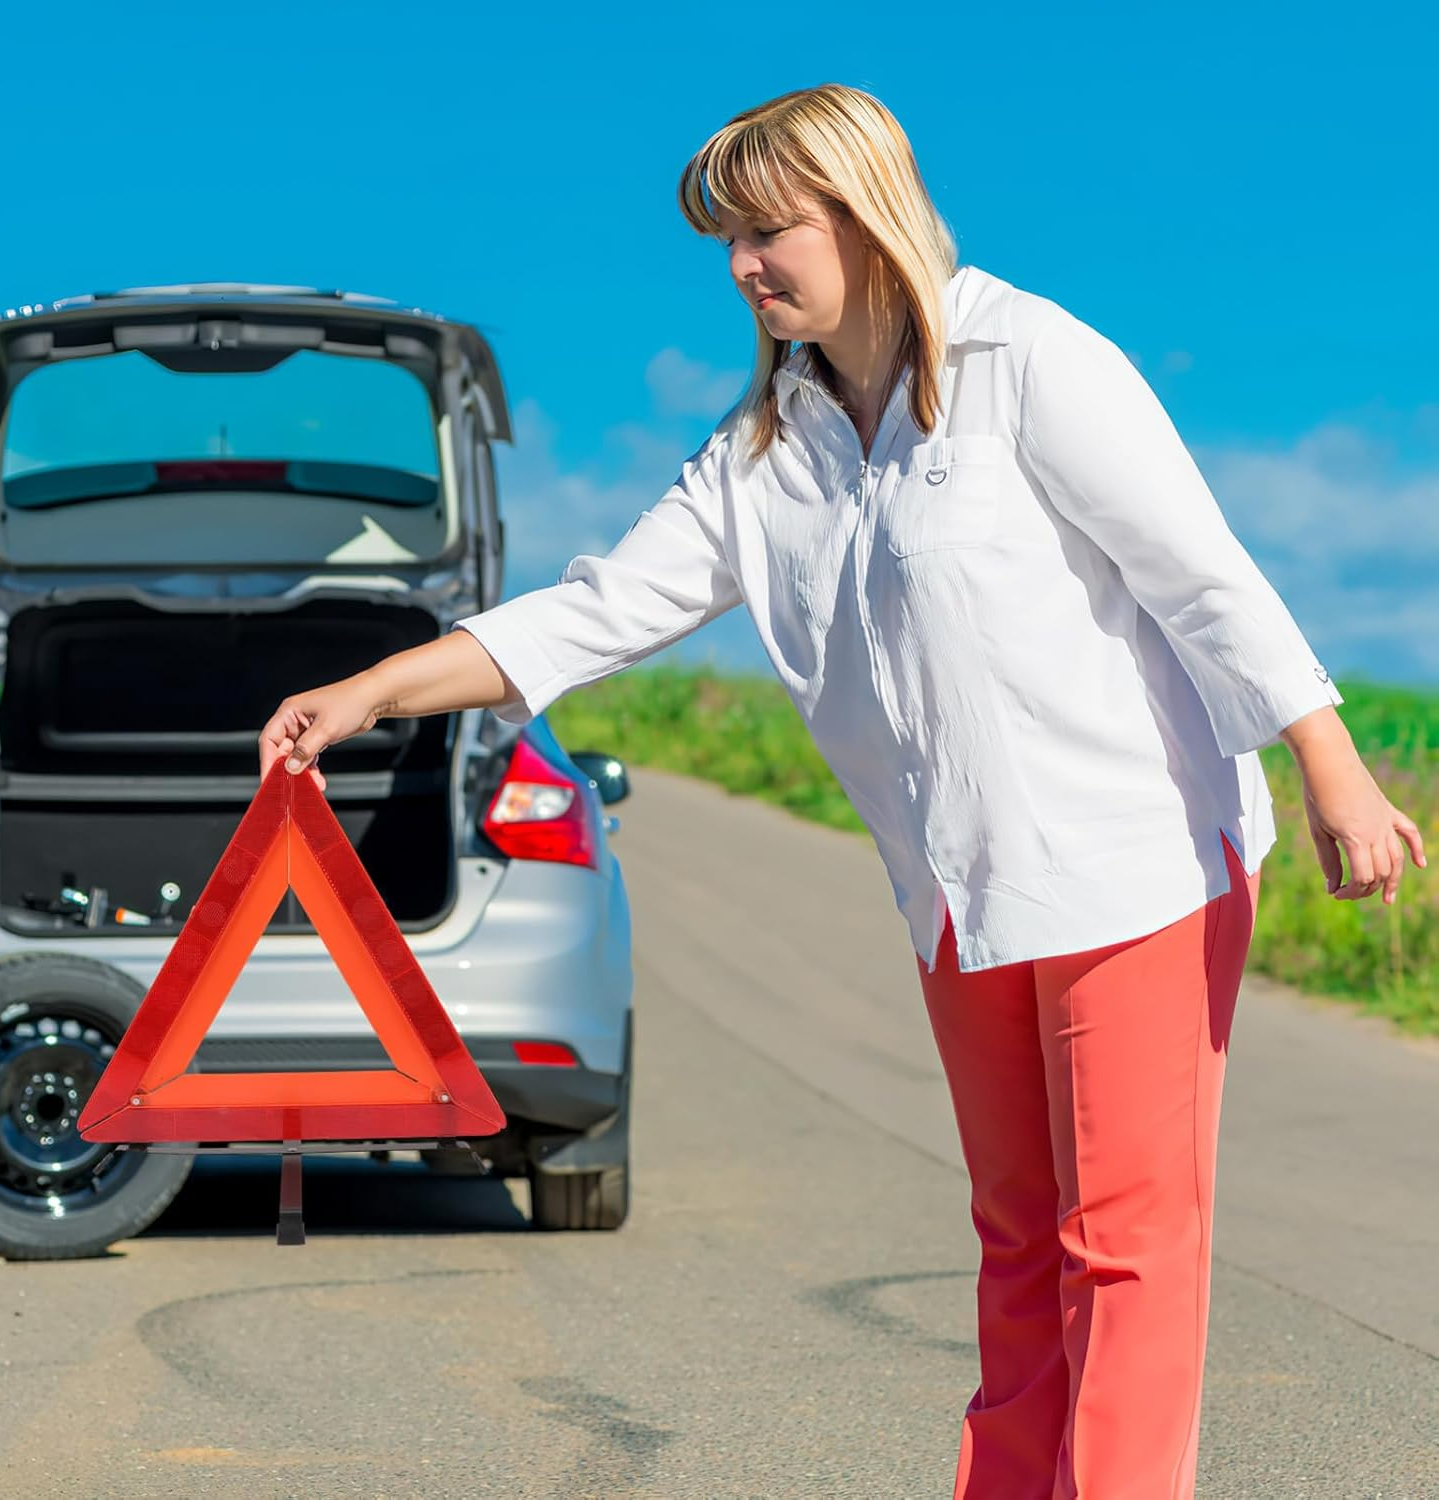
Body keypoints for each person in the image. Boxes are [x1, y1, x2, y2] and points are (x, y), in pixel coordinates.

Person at [257, 84, 1426, 1499]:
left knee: (1125, 1244)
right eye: (727, 241)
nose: (745, 267)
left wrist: (1331, 770)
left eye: (768, 230)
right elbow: (600, 610)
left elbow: (1204, 576)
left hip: (1139, 860)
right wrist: (375, 687)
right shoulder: (766, 450)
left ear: (864, 212)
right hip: (962, 893)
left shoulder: (1029, 361)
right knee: (1017, 1241)